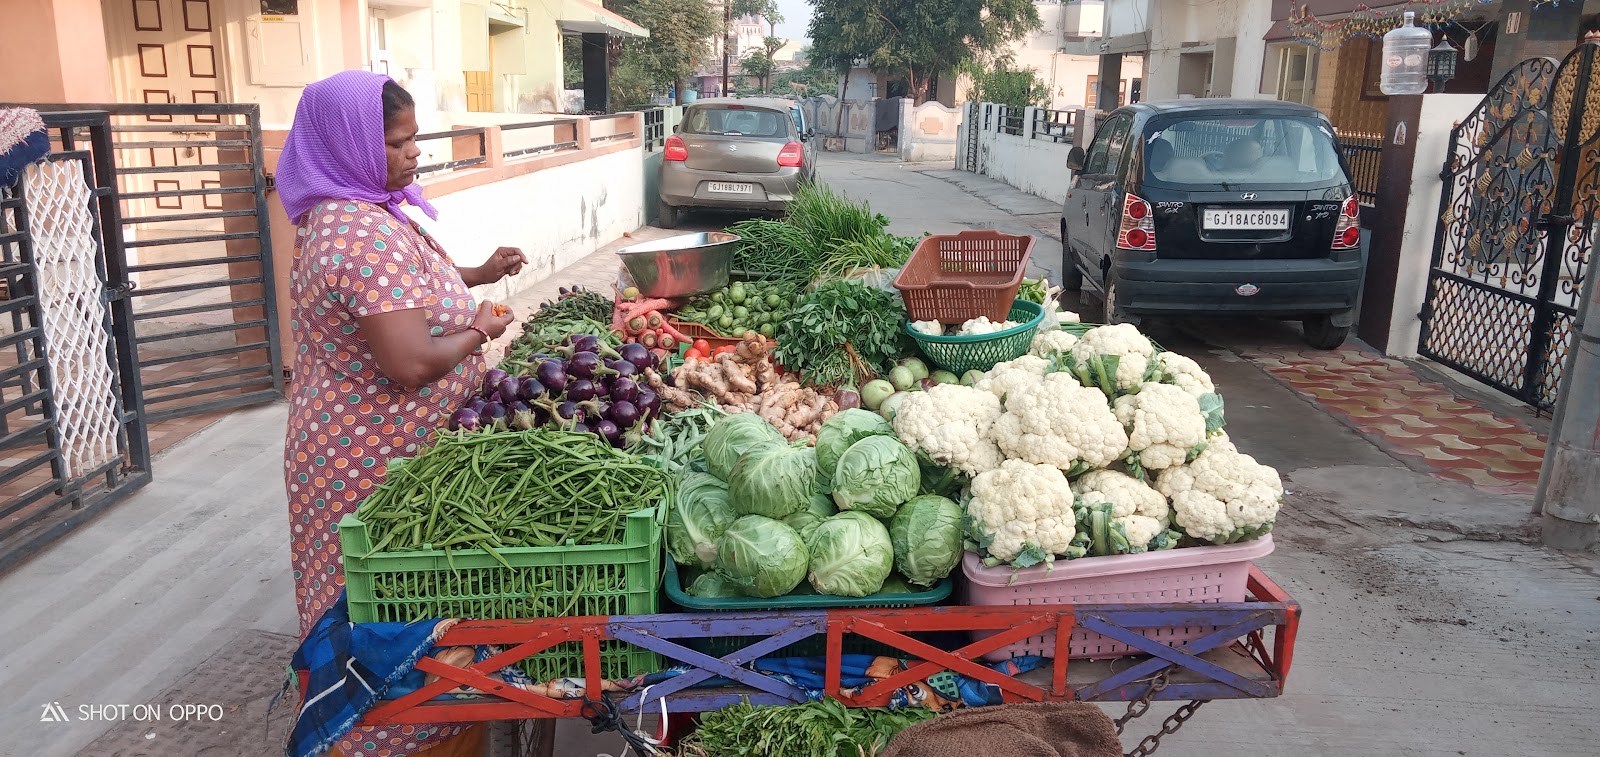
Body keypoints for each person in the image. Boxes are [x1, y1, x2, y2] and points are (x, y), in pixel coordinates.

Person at [276, 70, 525, 757]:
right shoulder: (357, 233)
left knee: (409, 611)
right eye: (397, 142)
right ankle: (384, 743)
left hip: (372, 452)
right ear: (351, 144)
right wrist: (479, 330)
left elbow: (401, 298)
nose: (414, 153)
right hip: (369, 464)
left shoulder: (361, 208)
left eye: (415, 138)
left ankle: (434, 732)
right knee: (383, 621)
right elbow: (409, 362)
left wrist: (474, 273)